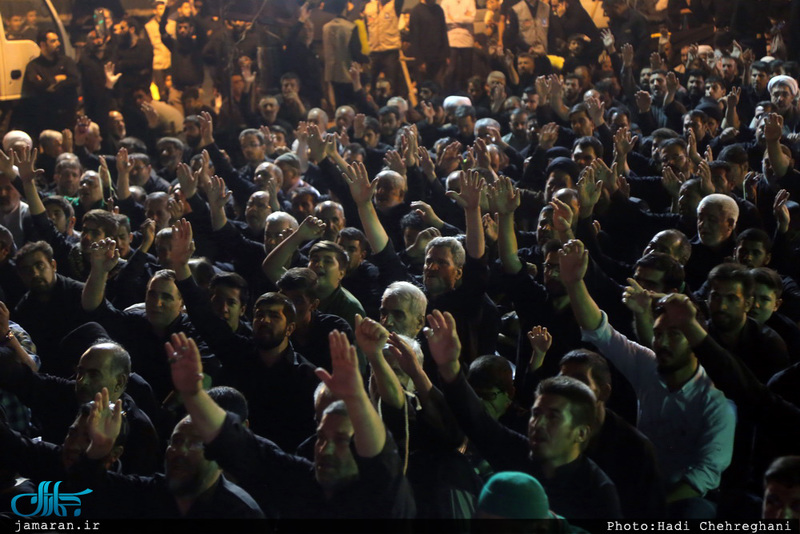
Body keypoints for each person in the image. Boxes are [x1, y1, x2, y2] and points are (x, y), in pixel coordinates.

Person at [560, 238, 735, 518]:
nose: (663, 342)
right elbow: (601, 331)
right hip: (640, 483)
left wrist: (645, 508)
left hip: (682, 499)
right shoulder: (649, 364)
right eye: (660, 334)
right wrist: (573, 283)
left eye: (674, 335)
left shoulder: (717, 400)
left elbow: (701, 479)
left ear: (694, 340)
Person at [167, 330, 416, 517]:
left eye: (340, 440)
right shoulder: (305, 482)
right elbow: (238, 446)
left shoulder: (383, 497)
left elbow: (381, 460)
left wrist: (357, 397)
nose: (324, 449)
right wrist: (194, 395)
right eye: (321, 438)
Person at [430, 309, 622, 519]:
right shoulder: (520, 453)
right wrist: (449, 368)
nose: (538, 424)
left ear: (581, 433)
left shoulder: (598, 491)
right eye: (536, 413)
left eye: (553, 416)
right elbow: (478, 422)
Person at [77, 388, 263, 518]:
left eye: (195, 443)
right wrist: (98, 449)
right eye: (176, 441)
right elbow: (86, 492)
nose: (179, 451)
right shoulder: (152, 491)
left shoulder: (241, 513)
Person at [20, 30, 80, 135]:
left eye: (57, 40)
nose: (58, 43)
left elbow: (75, 80)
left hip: (67, 115)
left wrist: (50, 85)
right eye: (53, 41)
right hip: (46, 116)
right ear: (43, 44)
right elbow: (35, 85)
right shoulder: (34, 66)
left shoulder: (66, 61)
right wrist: (57, 79)